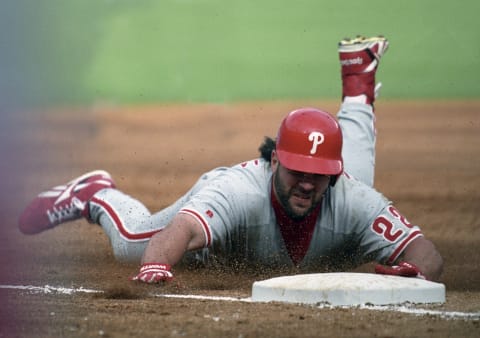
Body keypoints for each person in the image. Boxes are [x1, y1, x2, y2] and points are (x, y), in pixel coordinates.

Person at [18, 36, 443, 283]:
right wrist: (157, 265)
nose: (308, 183)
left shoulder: (350, 194)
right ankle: (96, 194)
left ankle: (358, 79)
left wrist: (415, 271)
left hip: (343, 194)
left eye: (321, 175)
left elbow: (426, 253)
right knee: (133, 245)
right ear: (276, 161)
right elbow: (181, 230)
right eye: (298, 171)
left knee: (356, 176)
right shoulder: (238, 190)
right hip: (216, 236)